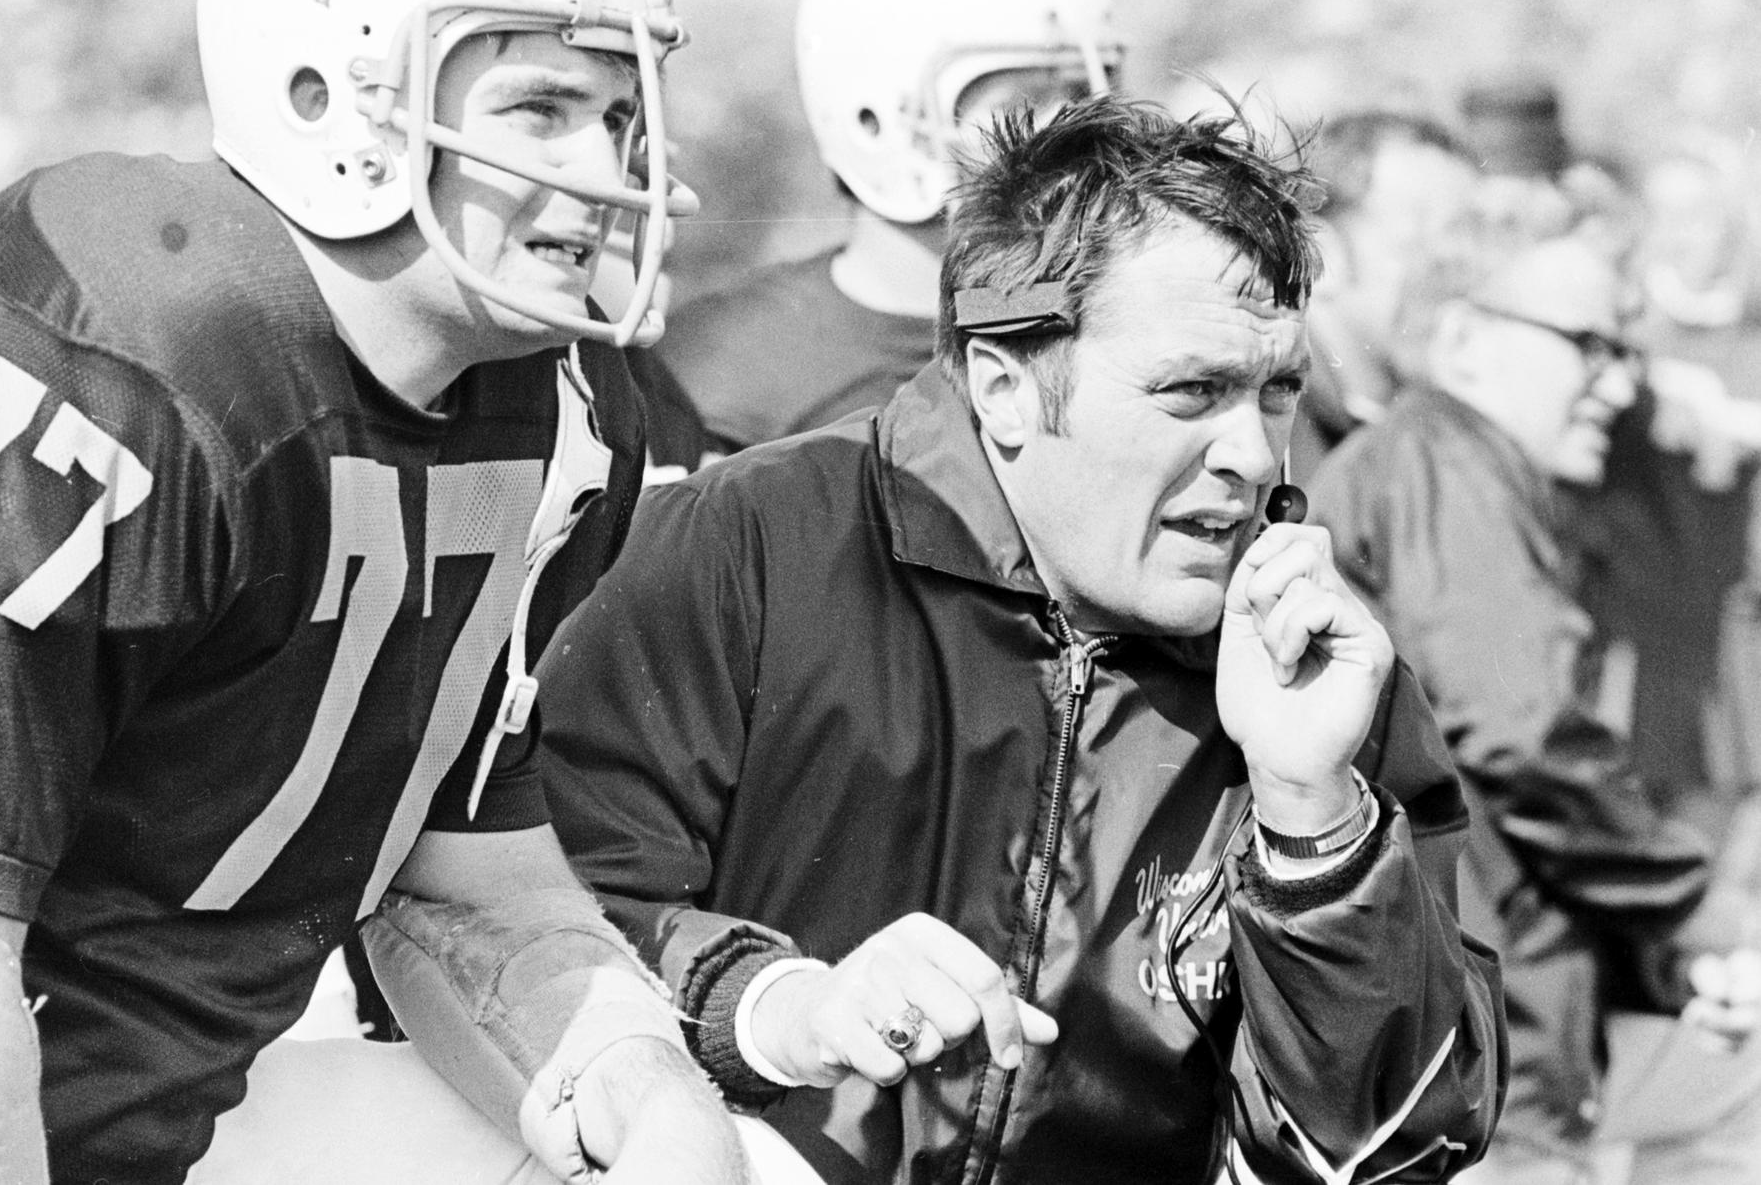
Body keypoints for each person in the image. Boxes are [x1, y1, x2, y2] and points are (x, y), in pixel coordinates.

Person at [0, 0, 764, 1183]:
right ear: (328, 101)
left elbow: (460, 889)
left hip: (150, 1123)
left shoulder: (563, 417)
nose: (602, 171)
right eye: (538, 110)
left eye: (619, 116)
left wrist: (648, 1094)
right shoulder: (127, 345)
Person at [535, 96, 1506, 1183]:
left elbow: (1401, 1148)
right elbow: (530, 930)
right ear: (1003, 388)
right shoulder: (744, 547)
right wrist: (780, 1006)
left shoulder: (1318, 669)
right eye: (1193, 390)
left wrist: (1313, 825)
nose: (1253, 453)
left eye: (1278, 391)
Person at [1309, 174, 1761, 1183]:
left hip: (1482, 1038)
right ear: (1467, 342)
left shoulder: (1451, 466)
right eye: (1592, 344)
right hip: (1460, 1071)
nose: (1619, 382)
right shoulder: (1442, 465)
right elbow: (1522, 734)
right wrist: (1691, 909)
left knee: (1736, 1086)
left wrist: (1666, 957)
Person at [657, 0, 1125, 457]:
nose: (1077, 132)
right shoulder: (724, 365)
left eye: (1085, 97)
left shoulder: (1122, 321)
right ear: (878, 121)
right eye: (1025, 103)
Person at [1290, 110, 1481, 481]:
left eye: (1468, 238)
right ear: (1322, 256)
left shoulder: (1424, 427)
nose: (1455, 279)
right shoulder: (1279, 431)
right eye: (1418, 245)